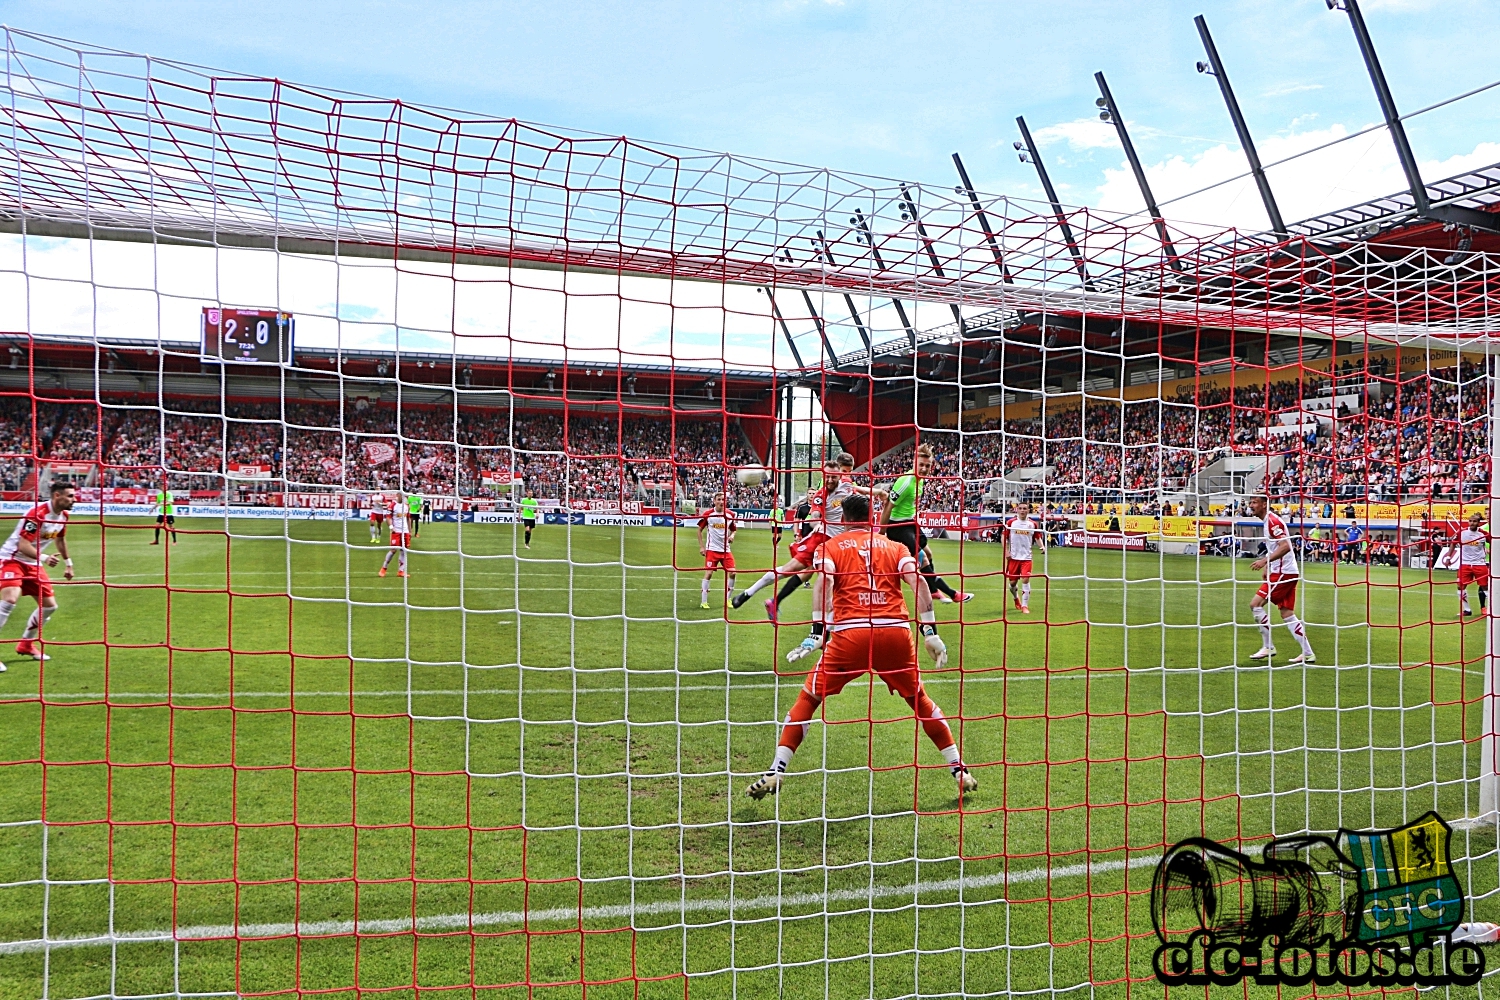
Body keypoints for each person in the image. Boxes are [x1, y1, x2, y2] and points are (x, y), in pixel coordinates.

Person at [746, 494, 976, 800]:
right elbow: (919, 582)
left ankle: (776, 770)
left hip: (850, 636)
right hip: (895, 633)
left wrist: (817, 631)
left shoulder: (830, 546)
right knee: (919, 701)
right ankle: (959, 770)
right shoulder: (896, 547)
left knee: (809, 698)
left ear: (842, 520)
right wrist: (930, 631)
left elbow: (823, 581)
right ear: (873, 518)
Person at [731, 452, 883, 621]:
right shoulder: (820, 495)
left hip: (839, 543)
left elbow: (857, 489)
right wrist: (816, 522)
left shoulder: (847, 483)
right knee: (791, 570)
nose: (831, 480)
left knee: (811, 573)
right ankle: (747, 594)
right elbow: (815, 516)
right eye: (828, 477)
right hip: (822, 539)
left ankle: (778, 603)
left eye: (837, 475)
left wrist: (878, 492)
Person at [882, 442, 972, 606]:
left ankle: (933, 590)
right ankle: (952, 593)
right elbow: (888, 505)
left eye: (927, 465)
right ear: (914, 463)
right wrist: (881, 533)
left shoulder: (921, 480)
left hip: (910, 523)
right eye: (921, 465)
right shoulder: (905, 482)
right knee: (922, 561)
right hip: (897, 527)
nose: (924, 469)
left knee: (928, 554)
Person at [0, 481, 76, 671]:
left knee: (49, 606)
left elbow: (60, 539)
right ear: (57, 496)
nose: (74, 500)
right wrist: (44, 557)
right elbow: (23, 545)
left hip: (33, 564)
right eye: (70, 496)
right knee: (9, 600)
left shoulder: (63, 516)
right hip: (12, 560)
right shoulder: (37, 514)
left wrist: (68, 564)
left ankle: (26, 644)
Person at [1248, 494, 1315, 664]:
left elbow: (1285, 546)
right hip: (1285, 571)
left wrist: (1264, 560)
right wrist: (1267, 567)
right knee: (1287, 613)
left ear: (1264, 504)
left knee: (1255, 604)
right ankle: (1307, 653)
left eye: (1255, 502)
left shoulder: (1272, 521)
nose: (1251, 505)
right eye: (1250, 502)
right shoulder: (1267, 522)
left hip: (1284, 572)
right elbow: (1275, 547)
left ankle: (1268, 646)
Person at [697, 497, 738, 608]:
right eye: (719, 499)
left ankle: (728, 600)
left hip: (726, 550)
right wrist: (701, 547)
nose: (721, 502)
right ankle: (704, 601)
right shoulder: (708, 514)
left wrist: (732, 536)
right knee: (709, 573)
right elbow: (699, 530)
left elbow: (734, 529)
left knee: (733, 573)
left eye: (723, 499)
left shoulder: (730, 514)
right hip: (712, 549)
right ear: (714, 501)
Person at [1002, 502, 1041, 614]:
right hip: (1013, 558)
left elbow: (1037, 537)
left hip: (1026, 558)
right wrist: (1006, 552)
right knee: (1012, 584)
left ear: (1028, 510)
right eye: (1020, 508)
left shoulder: (1032, 524)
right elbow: (1003, 537)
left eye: (1025, 508)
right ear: (1017, 510)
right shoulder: (1011, 522)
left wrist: (1042, 547)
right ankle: (1016, 599)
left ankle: (1025, 606)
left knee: (1025, 579)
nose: (1022, 510)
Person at [1457, 511, 1489, 617]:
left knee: (1485, 587)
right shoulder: (1462, 532)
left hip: (1479, 563)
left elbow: (1494, 541)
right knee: (1460, 586)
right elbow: (1453, 543)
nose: (1472, 523)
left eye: (1474, 521)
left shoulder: (1483, 534)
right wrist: (1448, 556)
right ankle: (1467, 610)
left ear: (1478, 523)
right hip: (1465, 563)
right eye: (1470, 521)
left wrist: (1489, 549)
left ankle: (1492, 609)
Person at [379, 496, 411, 578]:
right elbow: (388, 517)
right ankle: (384, 568)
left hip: (405, 531)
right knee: (393, 550)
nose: (404, 498)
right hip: (396, 531)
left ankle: (401, 571)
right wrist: (391, 527)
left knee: (404, 550)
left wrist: (410, 531)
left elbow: (408, 518)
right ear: (398, 496)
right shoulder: (393, 505)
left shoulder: (407, 506)